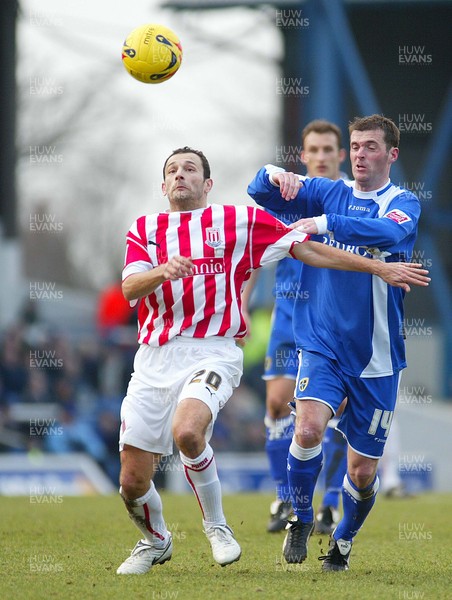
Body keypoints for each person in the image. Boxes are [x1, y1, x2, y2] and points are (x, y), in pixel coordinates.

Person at [115, 145, 428, 575]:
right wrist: (163, 271)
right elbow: (131, 289)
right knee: (132, 482)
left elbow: (308, 249)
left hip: (214, 349)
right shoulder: (144, 228)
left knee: (189, 431)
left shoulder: (237, 221)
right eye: (172, 170)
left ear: (208, 184)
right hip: (153, 357)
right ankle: (155, 541)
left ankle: (219, 526)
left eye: (190, 169)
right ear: (162, 184)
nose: (180, 175)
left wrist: (377, 269)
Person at [247, 114, 426, 571]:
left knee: (362, 472)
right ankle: (301, 517)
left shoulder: (403, 202)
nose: (362, 153)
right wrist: (274, 173)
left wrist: (324, 224)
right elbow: (258, 192)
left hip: (377, 356)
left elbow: (387, 234)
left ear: (392, 154)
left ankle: (343, 541)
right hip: (322, 342)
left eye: (370, 146)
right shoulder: (330, 189)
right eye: (357, 145)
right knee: (306, 428)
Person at [242, 120, 349, 534]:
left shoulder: (351, 199)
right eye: (314, 150)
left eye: (328, 150)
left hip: (335, 316)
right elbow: (253, 250)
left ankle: (331, 503)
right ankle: (286, 499)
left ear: (340, 156)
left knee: (335, 412)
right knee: (276, 406)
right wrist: (243, 306)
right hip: (289, 311)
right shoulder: (289, 195)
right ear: (303, 156)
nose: (321, 156)